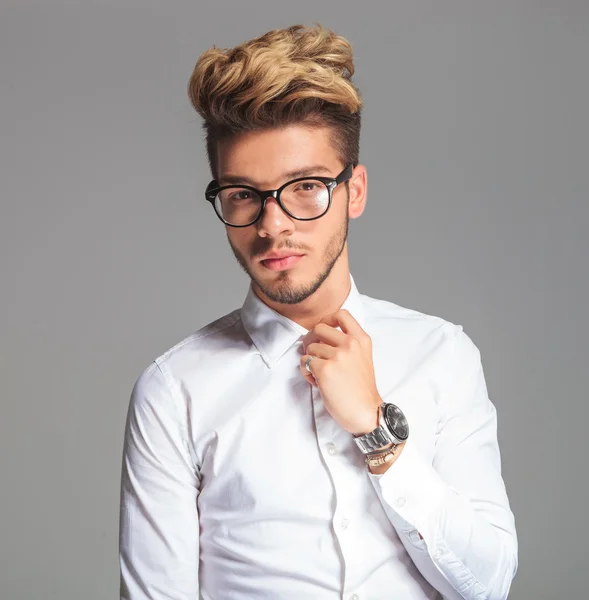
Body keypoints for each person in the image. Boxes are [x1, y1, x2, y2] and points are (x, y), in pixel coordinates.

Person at [119, 24, 518, 600]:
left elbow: (487, 585)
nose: (272, 223)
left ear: (353, 191)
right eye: (242, 194)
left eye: (304, 187)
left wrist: (377, 430)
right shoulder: (174, 390)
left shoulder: (442, 355)